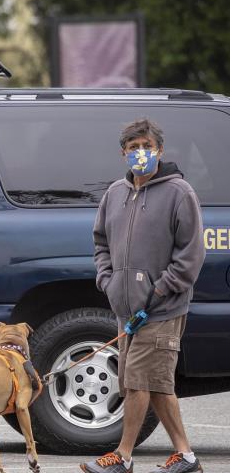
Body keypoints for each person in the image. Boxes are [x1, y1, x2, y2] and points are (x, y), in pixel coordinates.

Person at [82, 119, 205, 473]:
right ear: (123, 153)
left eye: (146, 147)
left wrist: (160, 289)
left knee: (137, 382)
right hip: (126, 309)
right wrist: (106, 279)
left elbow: (191, 255)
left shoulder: (179, 193)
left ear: (159, 151)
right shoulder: (114, 195)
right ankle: (186, 456)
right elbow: (100, 242)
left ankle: (121, 457)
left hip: (161, 310)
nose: (140, 153)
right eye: (133, 148)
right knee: (156, 385)